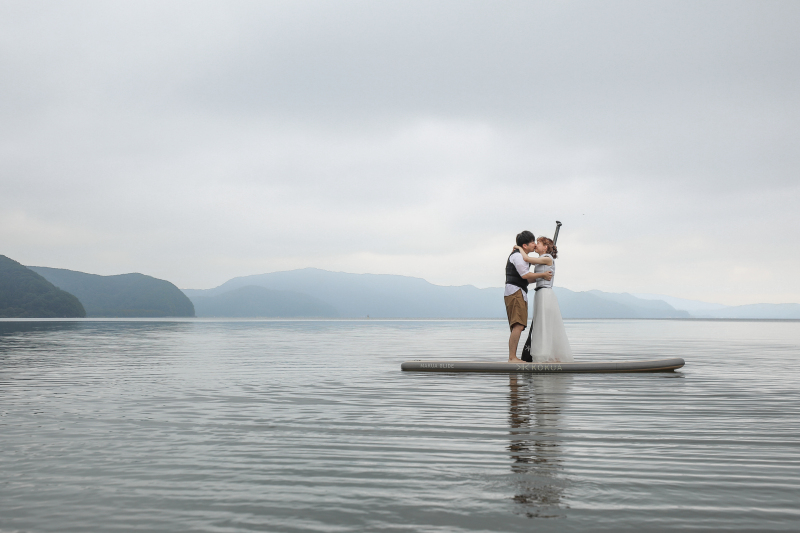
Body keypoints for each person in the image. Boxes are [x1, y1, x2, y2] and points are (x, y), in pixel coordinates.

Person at [513, 236, 573, 363]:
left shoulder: (548, 258)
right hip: (540, 293)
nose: (536, 245)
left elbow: (527, 259)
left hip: (545, 294)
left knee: (545, 323)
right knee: (540, 323)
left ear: (545, 247)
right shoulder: (541, 260)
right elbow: (533, 275)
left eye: (538, 243)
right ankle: (544, 354)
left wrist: (519, 248)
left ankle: (548, 355)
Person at [505, 231, 553, 363]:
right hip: (515, 292)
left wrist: (542, 277)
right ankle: (512, 358)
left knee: (519, 325)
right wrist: (542, 275)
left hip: (519, 292)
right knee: (518, 325)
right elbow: (525, 275)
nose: (534, 244)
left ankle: (513, 357)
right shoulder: (518, 256)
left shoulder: (522, 256)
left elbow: (527, 279)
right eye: (532, 242)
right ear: (525, 245)